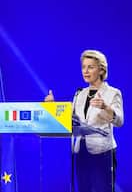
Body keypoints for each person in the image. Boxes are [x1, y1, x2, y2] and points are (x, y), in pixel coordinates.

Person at [45, 49, 124, 192]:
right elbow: (71, 120)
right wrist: (52, 107)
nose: (85, 71)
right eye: (83, 67)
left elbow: (119, 121)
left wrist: (105, 107)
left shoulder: (113, 93)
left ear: (101, 70)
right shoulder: (79, 94)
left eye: (90, 67)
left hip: (102, 152)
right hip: (80, 151)